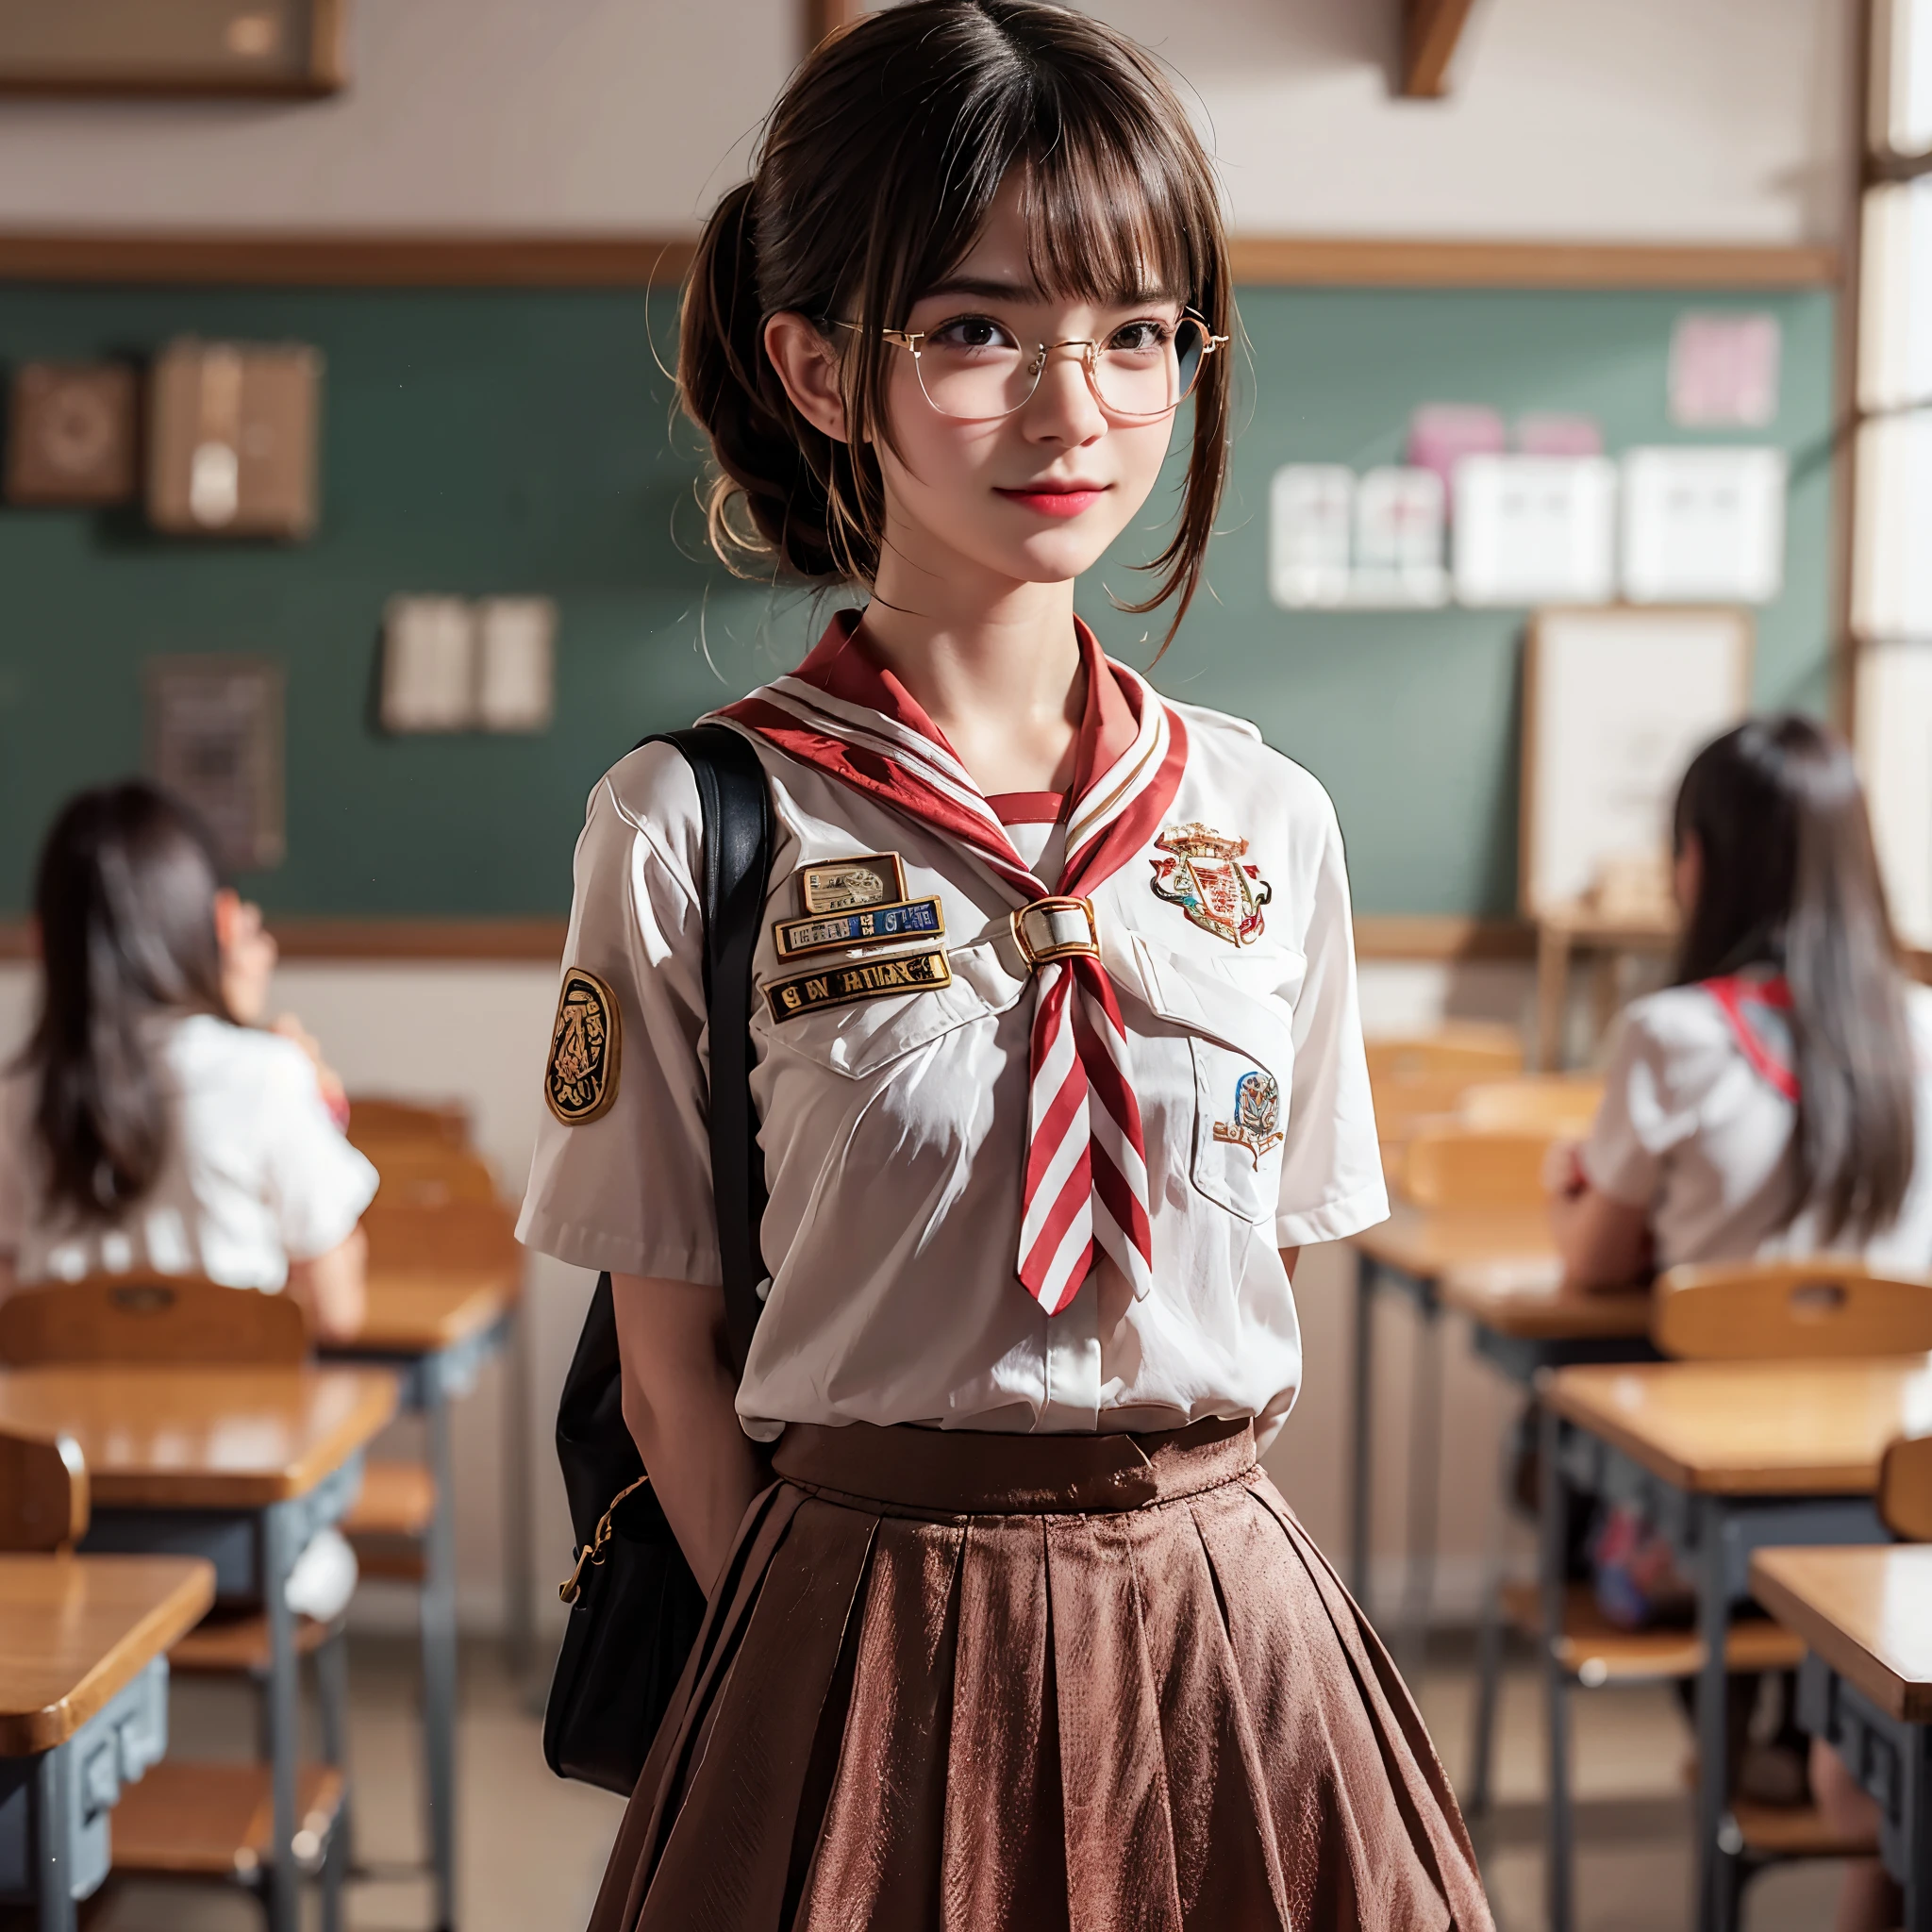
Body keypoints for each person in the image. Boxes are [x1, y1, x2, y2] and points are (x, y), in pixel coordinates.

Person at [518, 5, 1493, 1926]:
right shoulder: (689, 822)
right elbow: (666, 1372)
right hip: (849, 1627)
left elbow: (1249, 1288)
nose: (1073, 410)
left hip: (1226, 1638)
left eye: (1137, 333)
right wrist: (831, 1681)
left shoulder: (1265, 822)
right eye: (975, 330)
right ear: (817, 365)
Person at [1552, 713, 1932, 1932]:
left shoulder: (1677, 1034)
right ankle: (1822, 1756)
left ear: (1700, 863)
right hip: (1898, 1503)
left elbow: (1595, 1262)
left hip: (1708, 1523)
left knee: (1547, 1464)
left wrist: (1587, 1190)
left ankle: (1741, 1744)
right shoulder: (1922, 1030)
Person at [0, 780, 377, 1621]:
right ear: (195, 924)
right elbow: (340, 1309)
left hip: (47, 1530)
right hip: (238, 1537)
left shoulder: (18, 1094)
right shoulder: (265, 1076)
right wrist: (293, 1074)